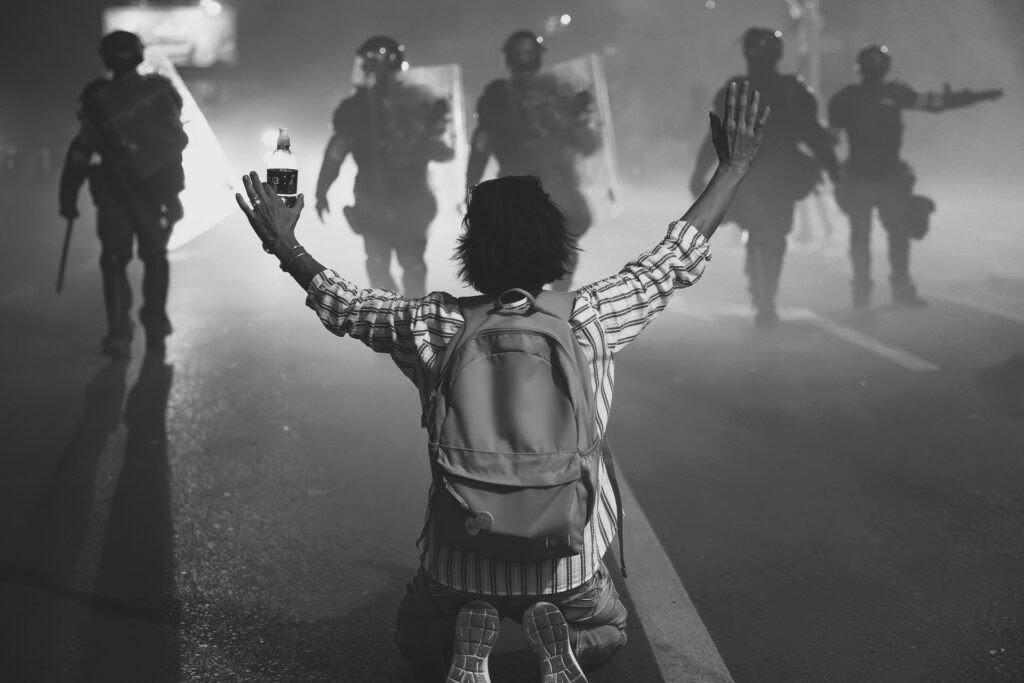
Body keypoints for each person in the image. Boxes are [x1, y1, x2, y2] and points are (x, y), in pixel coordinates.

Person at [237, 83, 767, 683]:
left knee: (415, 639)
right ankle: (563, 631)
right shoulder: (590, 318)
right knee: (609, 630)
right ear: (556, 244)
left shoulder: (434, 324)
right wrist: (734, 167)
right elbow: (673, 257)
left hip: (461, 553)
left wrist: (285, 243)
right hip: (564, 559)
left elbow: (347, 303)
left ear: (472, 251)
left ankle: (470, 621)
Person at [828, 45, 1003, 308]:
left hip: (861, 176)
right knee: (897, 235)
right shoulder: (894, 93)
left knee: (860, 236)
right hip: (889, 176)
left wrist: (822, 160)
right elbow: (937, 103)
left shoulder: (844, 99)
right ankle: (900, 287)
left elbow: (830, 139)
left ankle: (862, 290)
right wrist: (977, 97)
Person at [690, 27, 839, 328]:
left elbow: (811, 133)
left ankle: (765, 297)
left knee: (771, 235)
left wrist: (699, 172)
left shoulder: (786, 91)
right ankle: (765, 298)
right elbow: (720, 132)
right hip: (757, 175)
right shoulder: (779, 90)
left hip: (773, 176)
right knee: (767, 234)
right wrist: (833, 167)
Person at [59, 30, 188, 357]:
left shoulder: (98, 98)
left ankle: (121, 332)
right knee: (154, 258)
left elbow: (81, 151)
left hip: (121, 193)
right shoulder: (158, 90)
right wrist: (172, 194)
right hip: (152, 193)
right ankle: (153, 325)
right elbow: (176, 143)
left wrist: (68, 195)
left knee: (116, 261)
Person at [314, 36, 455, 297]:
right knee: (385, 264)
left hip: (408, 194)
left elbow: (443, 150)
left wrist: (321, 191)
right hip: (377, 195)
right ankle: (397, 314)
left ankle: (406, 313)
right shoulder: (357, 108)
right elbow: (337, 151)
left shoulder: (418, 103)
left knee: (405, 264)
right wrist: (321, 190)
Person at [466, 29, 602, 291]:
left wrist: (562, 119)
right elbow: (482, 143)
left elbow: (588, 143)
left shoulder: (557, 92)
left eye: (527, 52)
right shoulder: (498, 96)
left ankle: (553, 303)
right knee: (519, 259)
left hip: (554, 185)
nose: (524, 58)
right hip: (518, 186)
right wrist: (470, 184)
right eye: (519, 52)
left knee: (559, 254)